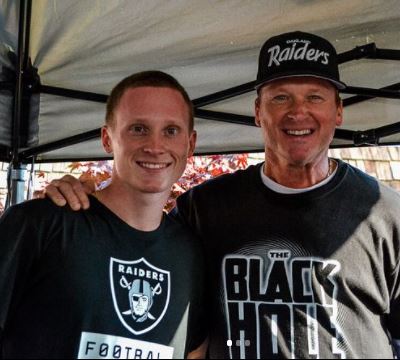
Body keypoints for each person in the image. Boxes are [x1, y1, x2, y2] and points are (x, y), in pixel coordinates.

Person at [40, 32, 400, 359]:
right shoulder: (203, 209)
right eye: (280, 98)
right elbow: (124, 250)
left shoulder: (385, 213)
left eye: (315, 97)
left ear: (338, 111)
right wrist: (82, 197)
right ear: (258, 112)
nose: (298, 111)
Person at [0, 71, 208, 359]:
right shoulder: (41, 224)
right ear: (107, 139)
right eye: (138, 129)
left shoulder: (189, 254)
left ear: (190, 144)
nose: (155, 146)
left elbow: (193, 351)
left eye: (171, 131)